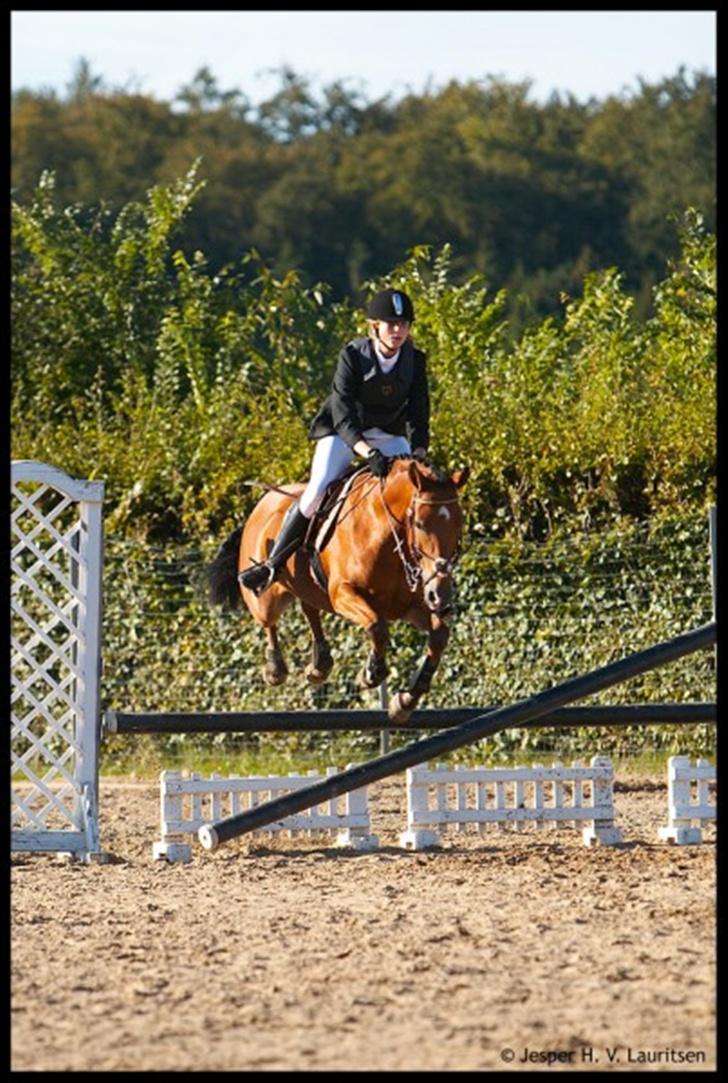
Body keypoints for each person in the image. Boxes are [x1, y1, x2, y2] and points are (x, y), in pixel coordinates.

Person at [238, 287, 430, 595]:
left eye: (403, 324)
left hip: (388, 434)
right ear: (374, 327)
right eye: (391, 324)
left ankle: (426, 572)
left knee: (416, 492)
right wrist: (367, 452)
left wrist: (418, 452)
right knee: (318, 489)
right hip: (342, 433)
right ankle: (272, 565)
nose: (398, 331)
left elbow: (419, 412)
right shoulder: (352, 356)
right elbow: (343, 415)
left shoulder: (415, 360)